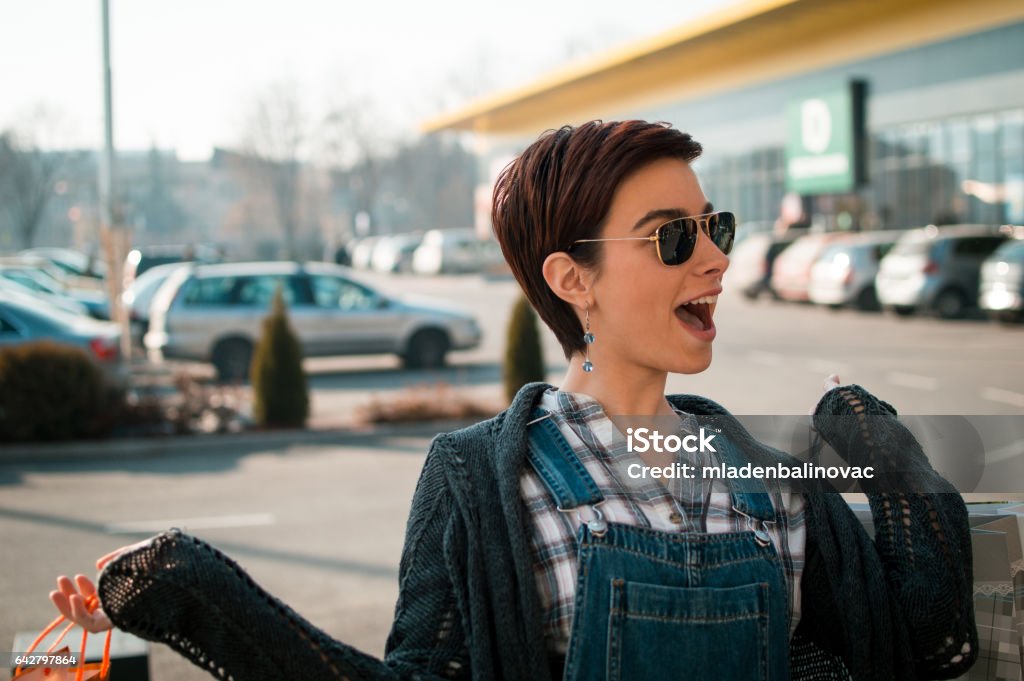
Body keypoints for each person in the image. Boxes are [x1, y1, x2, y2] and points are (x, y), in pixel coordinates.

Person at [49, 120, 977, 680]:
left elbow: (927, 634)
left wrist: (870, 437)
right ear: (572, 279)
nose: (716, 258)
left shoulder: (768, 476)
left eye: (715, 228)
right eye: (671, 237)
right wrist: (185, 589)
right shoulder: (479, 481)